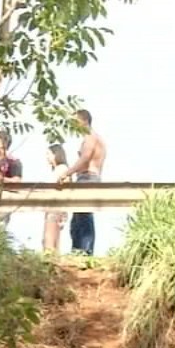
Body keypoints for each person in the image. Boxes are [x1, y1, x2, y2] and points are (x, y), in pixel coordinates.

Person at [56, 109, 107, 256]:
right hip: (86, 178)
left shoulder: (91, 137)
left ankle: (85, 252)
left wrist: (67, 173)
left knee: (84, 214)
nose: (73, 126)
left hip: (88, 178)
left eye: (75, 122)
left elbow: (85, 159)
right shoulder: (93, 138)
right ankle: (77, 251)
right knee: (78, 218)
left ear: (84, 121)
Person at [43, 144, 71, 253]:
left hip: (56, 207)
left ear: (56, 155)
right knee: (53, 239)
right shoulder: (57, 170)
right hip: (53, 207)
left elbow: (65, 186)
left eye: (48, 154)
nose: (47, 157)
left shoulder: (62, 169)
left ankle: (49, 258)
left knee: (49, 239)